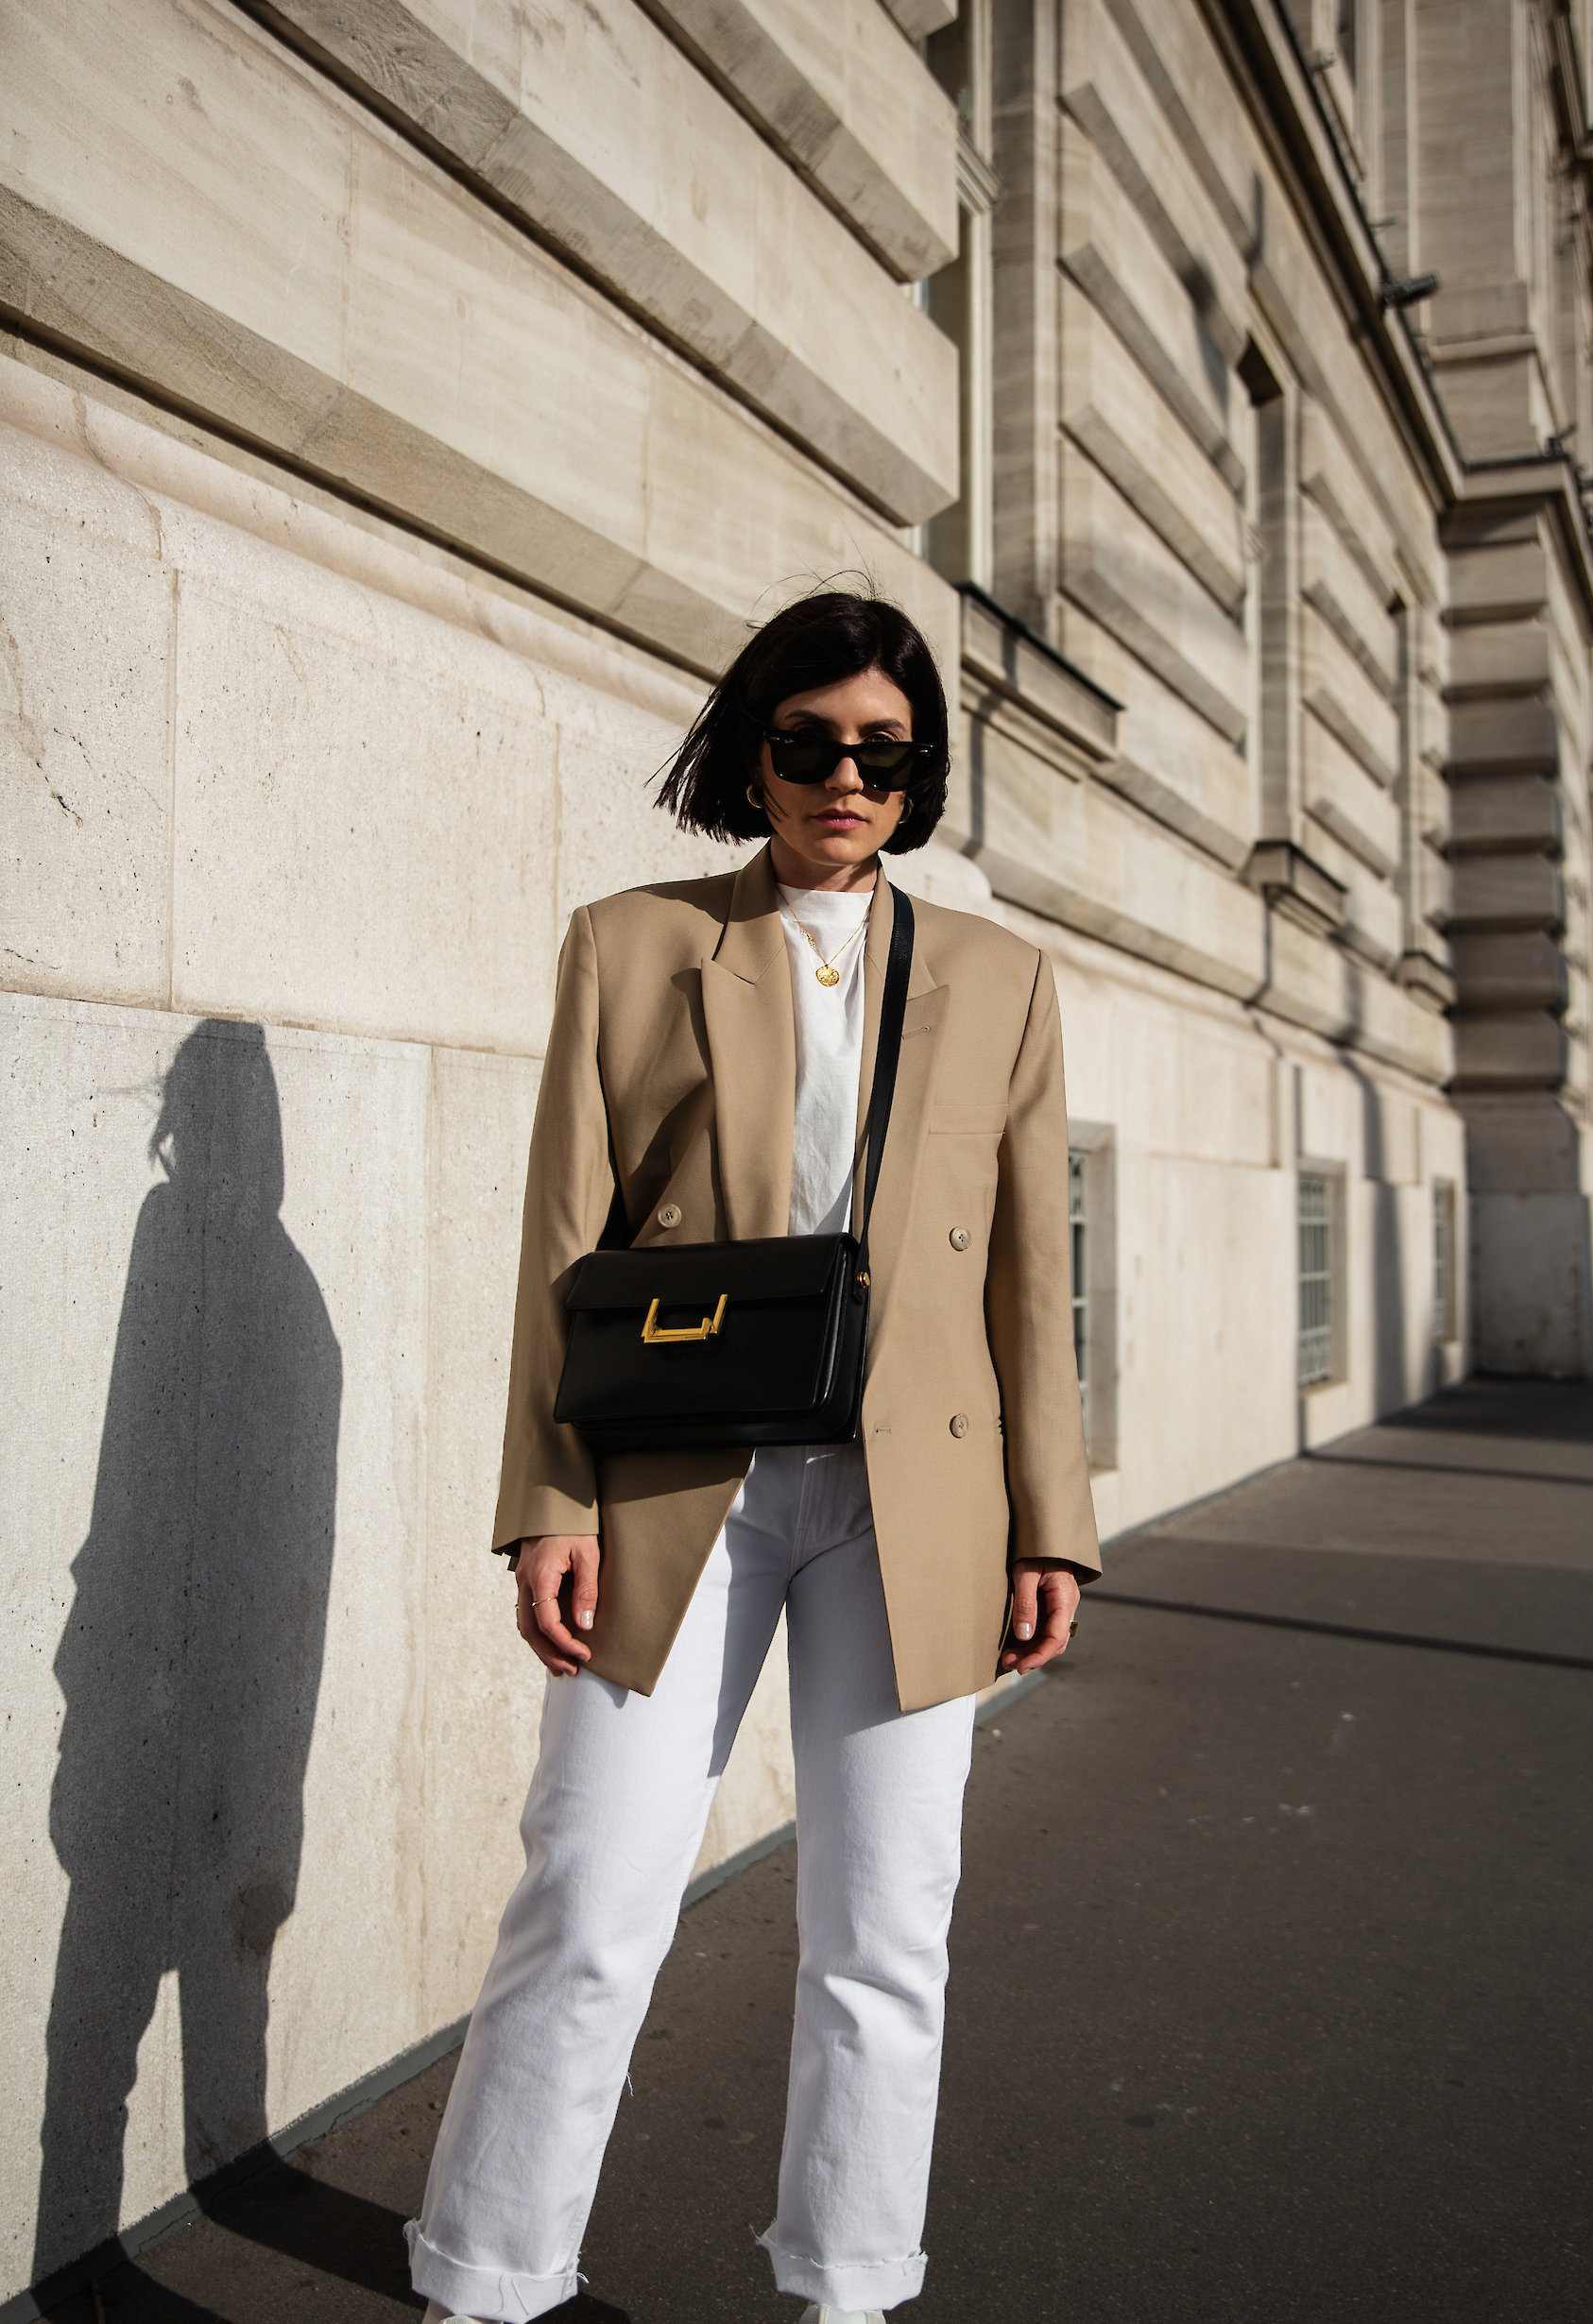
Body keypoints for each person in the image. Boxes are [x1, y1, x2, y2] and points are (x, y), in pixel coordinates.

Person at [406, 587, 1100, 2324]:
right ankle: (489, 2280)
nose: (843, 779)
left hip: (915, 1499)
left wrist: (1054, 1532)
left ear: (918, 771)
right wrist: (545, 1503)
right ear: (754, 753)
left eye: (881, 750)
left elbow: (1035, 1279)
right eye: (806, 744)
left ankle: (850, 2287)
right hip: (678, 1486)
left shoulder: (1003, 980)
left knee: (886, 1930)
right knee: (590, 1891)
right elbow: (563, 1242)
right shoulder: (634, 945)